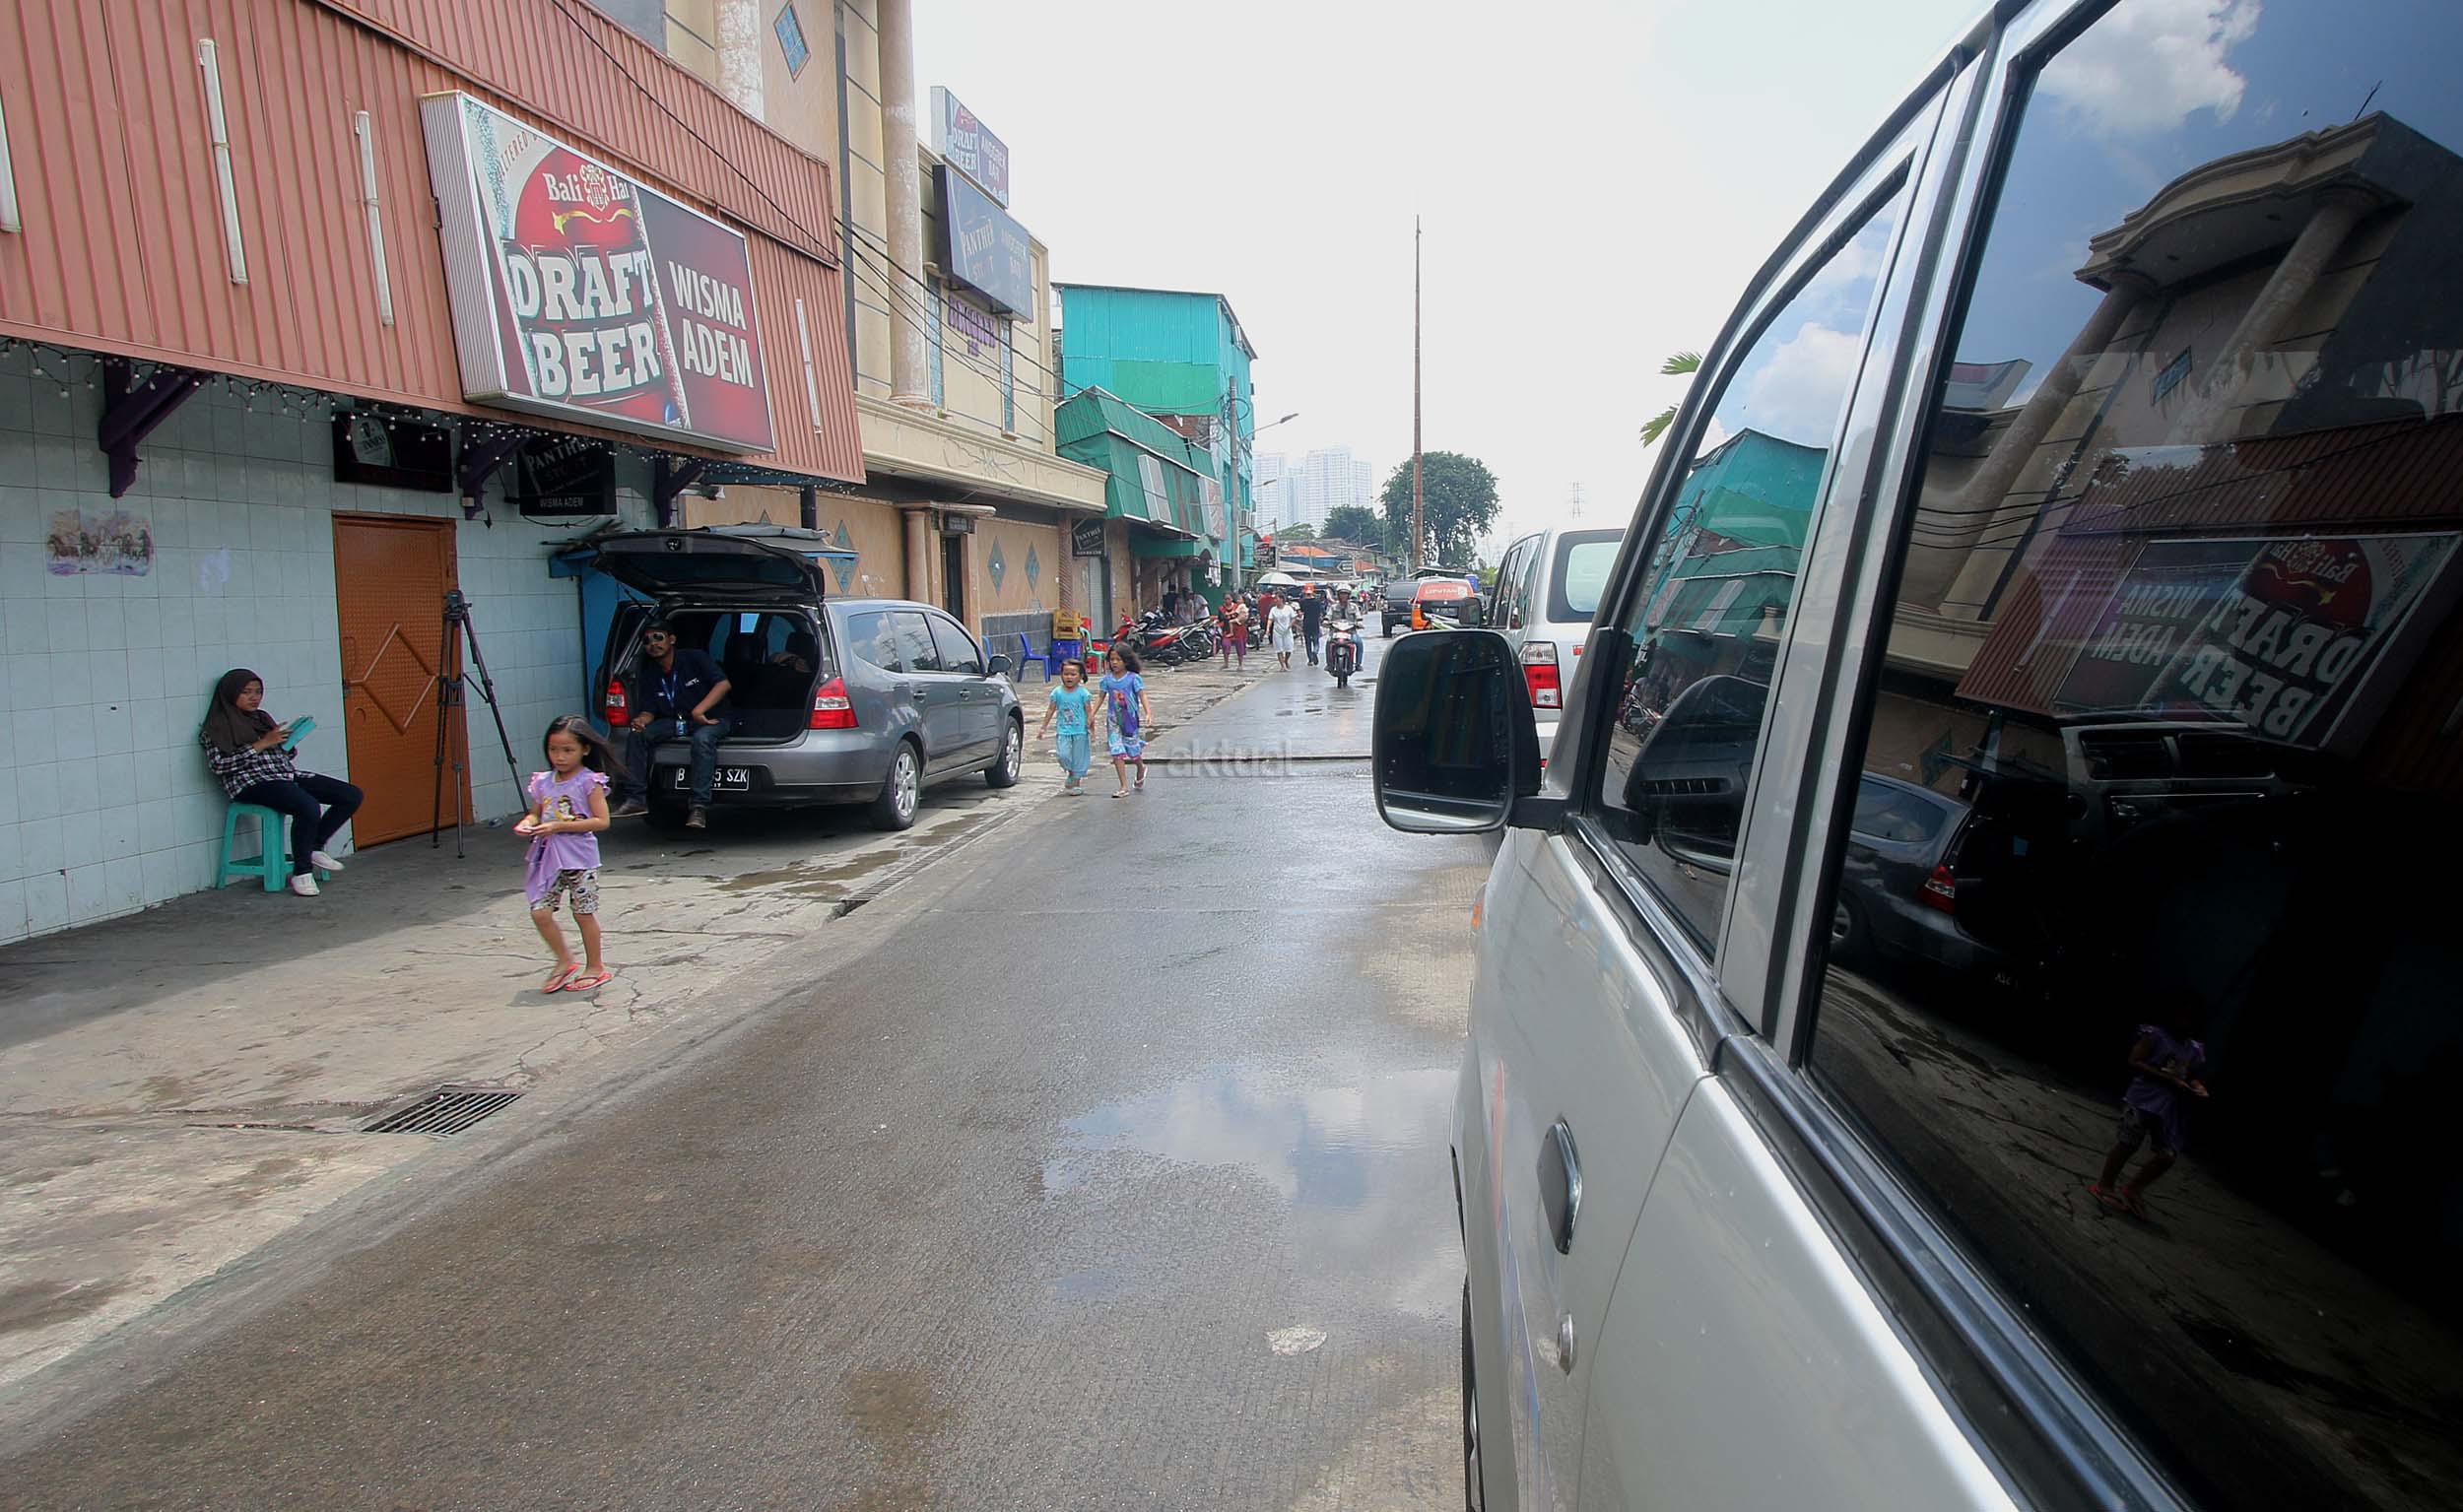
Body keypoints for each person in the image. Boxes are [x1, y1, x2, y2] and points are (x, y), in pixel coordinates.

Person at [198, 668, 364, 897]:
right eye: (246, 692)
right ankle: (302, 872)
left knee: (350, 795)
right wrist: (262, 743)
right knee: (306, 806)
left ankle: (314, 846)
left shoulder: (261, 718)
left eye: (258, 691)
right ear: (230, 693)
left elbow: (281, 755)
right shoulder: (215, 728)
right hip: (251, 783)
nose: (254, 697)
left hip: (284, 775)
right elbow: (219, 766)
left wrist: (286, 742)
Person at [516, 714, 620, 994]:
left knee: (583, 914)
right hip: (548, 859)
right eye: (553, 749)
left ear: (585, 749)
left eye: (567, 750)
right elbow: (536, 813)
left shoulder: (589, 782)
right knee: (540, 912)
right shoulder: (542, 782)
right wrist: (528, 823)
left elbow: (601, 821)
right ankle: (564, 960)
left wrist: (559, 826)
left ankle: (595, 966)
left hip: (581, 859)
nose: (559, 757)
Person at [608, 620, 732, 829]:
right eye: (647, 641)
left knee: (702, 740)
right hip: (677, 722)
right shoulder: (650, 673)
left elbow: (723, 684)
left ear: (672, 639)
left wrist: (699, 711)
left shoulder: (694, 658)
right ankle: (636, 799)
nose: (653, 644)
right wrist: (641, 720)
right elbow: (649, 711)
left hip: (712, 719)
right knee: (638, 735)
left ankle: (698, 807)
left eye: (658, 637)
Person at [2091, 1014, 2210, 1218]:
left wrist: (2198, 1087)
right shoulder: (2154, 1035)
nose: (2187, 1022)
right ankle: (2104, 1185)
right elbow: (2134, 1060)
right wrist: (2167, 1078)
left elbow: (2192, 1075)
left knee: (2168, 1155)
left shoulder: (2194, 1049)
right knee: (2128, 1144)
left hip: (2169, 1108)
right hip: (2142, 1098)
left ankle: (2134, 1189)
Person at [1099, 646, 1152, 797]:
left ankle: (1140, 767)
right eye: (1112, 659)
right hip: (1113, 720)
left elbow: (1142, 695)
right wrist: (1091, 715)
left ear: (1126, 661)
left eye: (1118, 659)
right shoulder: (1107, 680)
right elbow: (1101, 697)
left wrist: (1148, 712)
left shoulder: (1133, 678)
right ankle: (1123, 786)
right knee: (1116, 751)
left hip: (1130, 720)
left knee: (1132, 749)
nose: (1114, 663)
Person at [1039, 658, 1096, 796]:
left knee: (1079, 757)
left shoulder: (1083, 693)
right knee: (1063, 755)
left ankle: (1076, 782)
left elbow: (1089, 712)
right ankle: (1070, 772)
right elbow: (1050, 710)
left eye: (1073, 674)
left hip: (1080, 731)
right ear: (1061, 675)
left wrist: (1092, 730)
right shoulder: (1057, 693)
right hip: (1063, 730)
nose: (1069, 677)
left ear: (1080, 676)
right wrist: (1043, 727)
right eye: (1066, 674)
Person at [1298, 585, 1327, 667]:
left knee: (1308, 643)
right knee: (1316, 641)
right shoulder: (1317, 601)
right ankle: (1315, 651)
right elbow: (1321, 612)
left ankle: (1310, 659)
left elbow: (1301, 612)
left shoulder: (1302, 601)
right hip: (1315, 623)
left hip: (1306, 623)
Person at [1267, 595, 1298, 670]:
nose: (1275, 600)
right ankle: (1282, 666)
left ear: (1281, 599)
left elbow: (1294, 618)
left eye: (1276, 599)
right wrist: (1268, 628)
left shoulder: (1288, 608)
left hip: (1287, 631)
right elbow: (1270, 619)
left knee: (1289, 648)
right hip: (1277, 631)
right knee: (1279, 649)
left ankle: (1286, 660)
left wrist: (1290, 625)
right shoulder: (1273, 609)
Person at [1220, 596, 1249, 670]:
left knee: (1240, 646)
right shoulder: (1221, 608)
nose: (1227, 600)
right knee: (1225, 645)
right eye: (1225, 599)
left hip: (1239, 629)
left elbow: (1243, 616)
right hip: (1227, 630)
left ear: (1232, 599)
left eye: (1228, 598)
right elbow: (1220, 618)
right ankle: (1226, 663)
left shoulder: (1238, 607)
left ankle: (1240, 664)